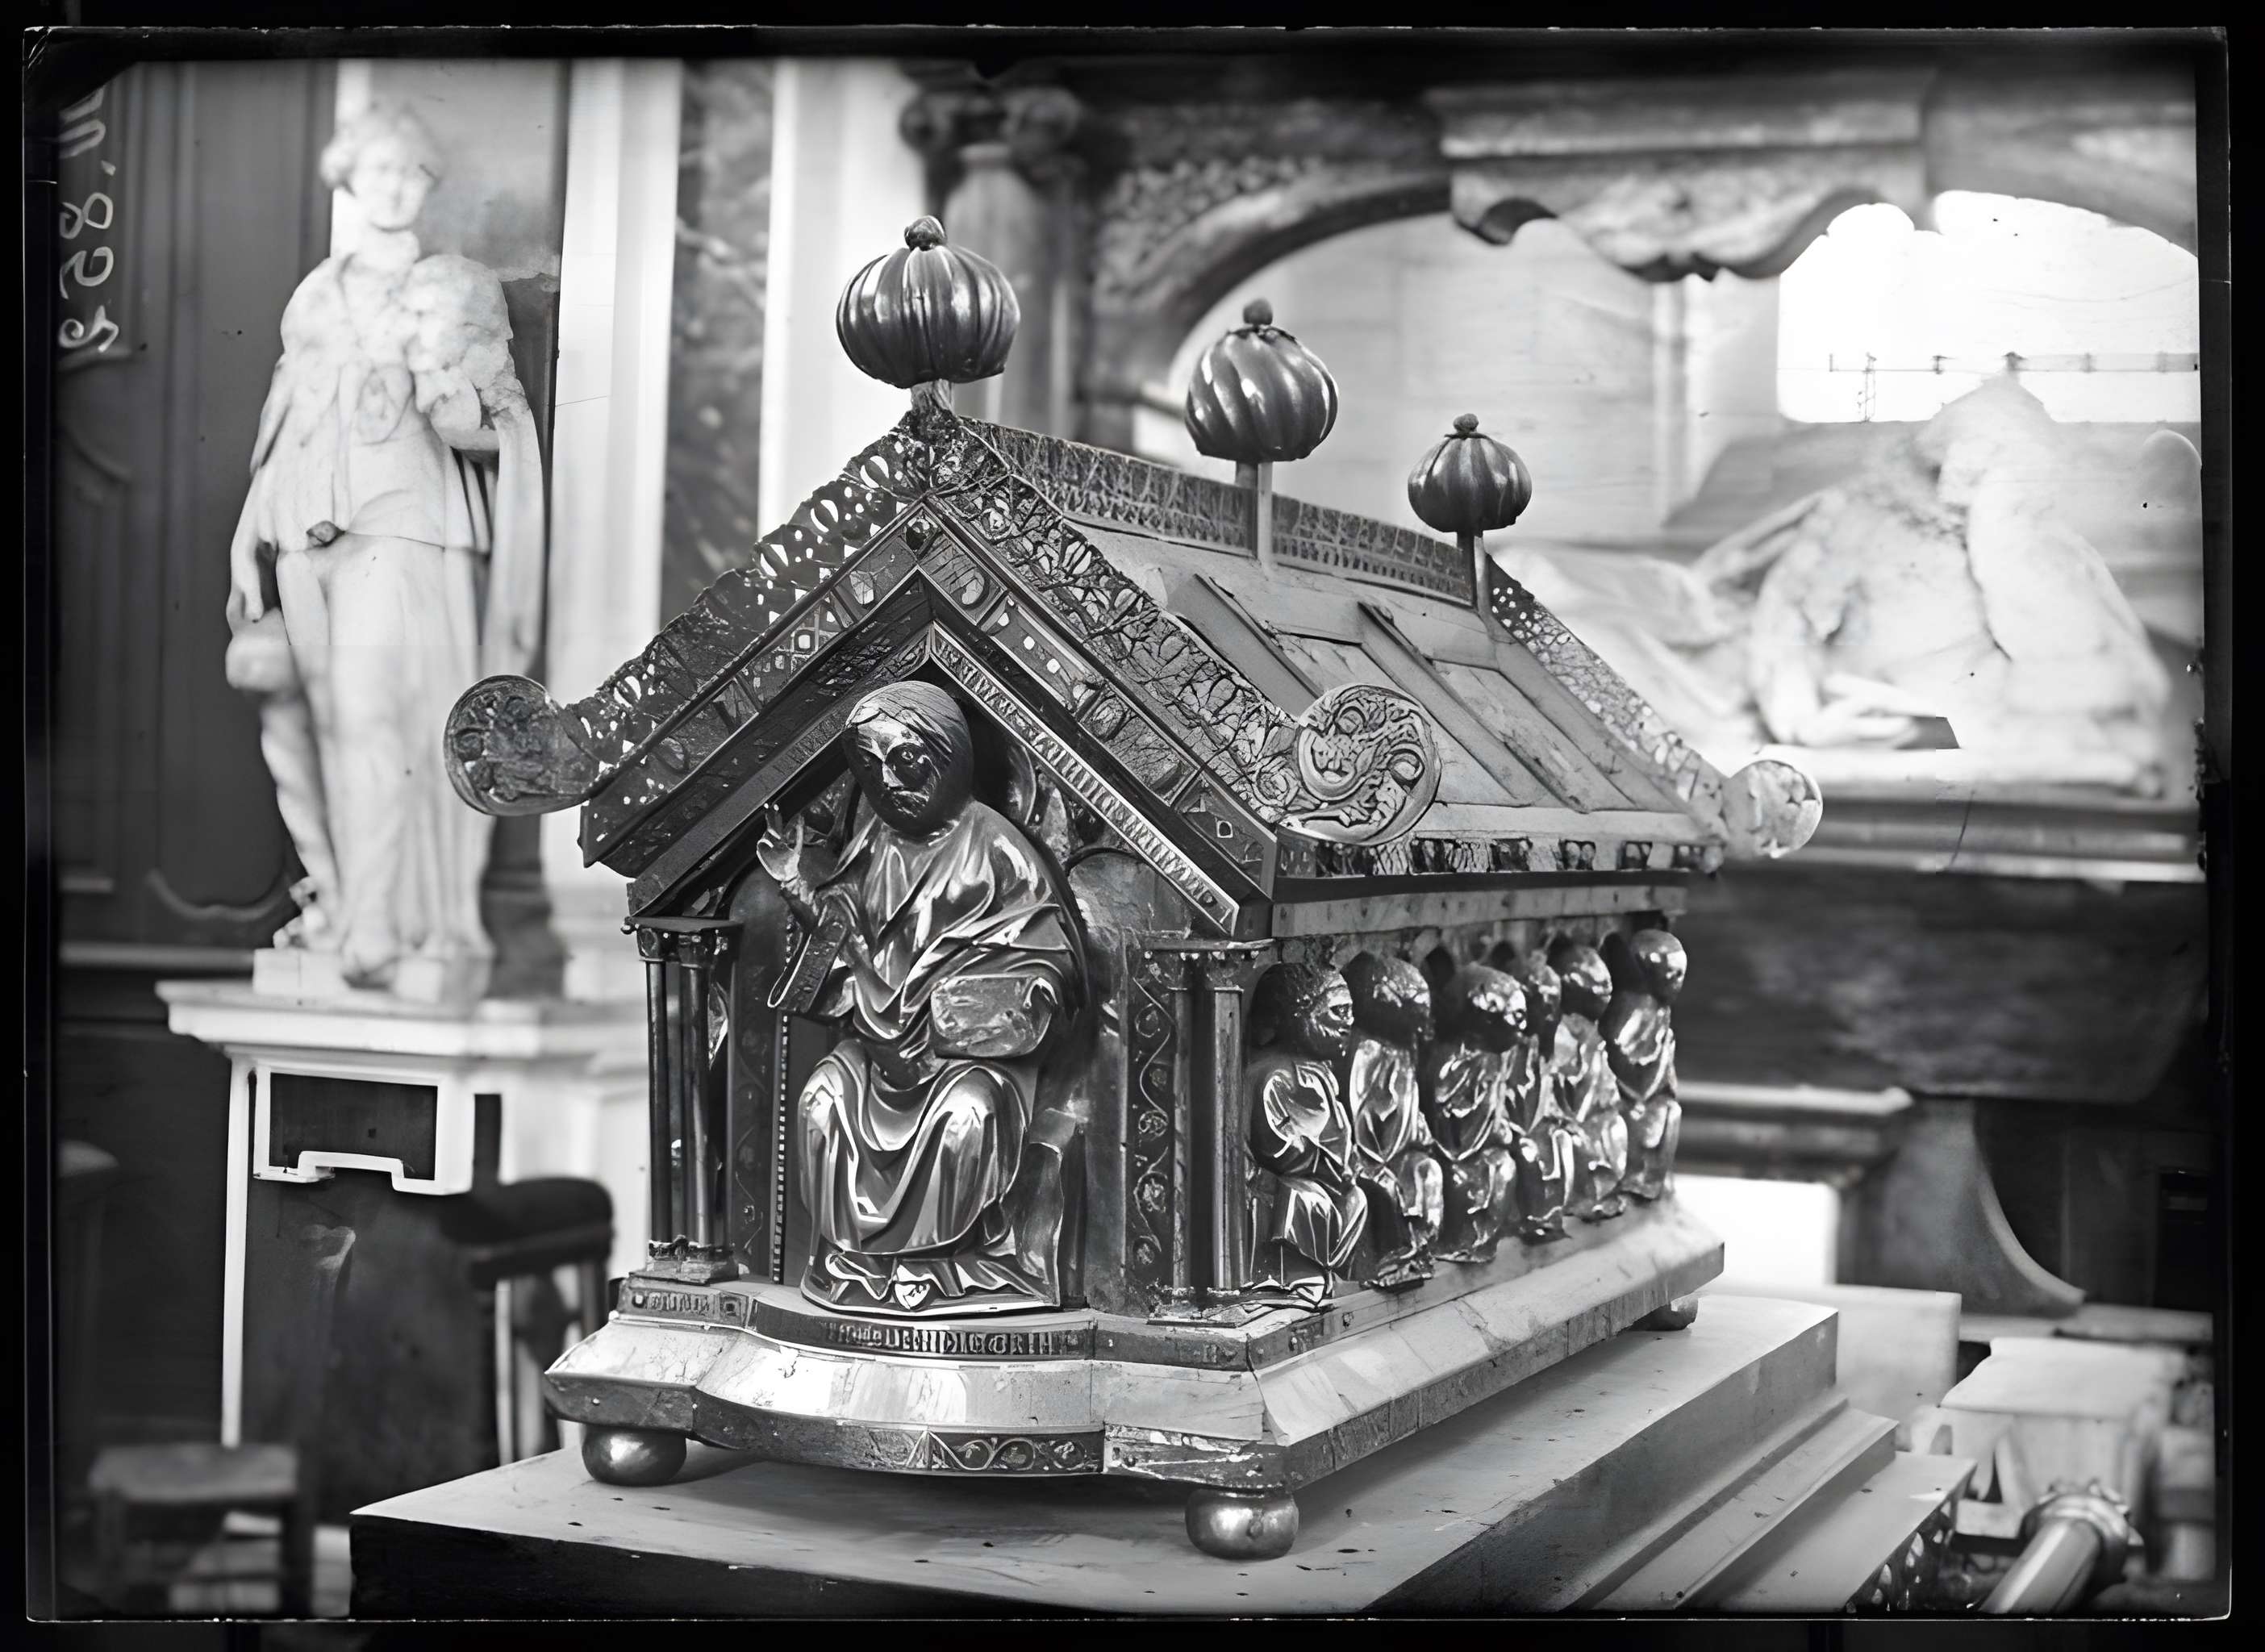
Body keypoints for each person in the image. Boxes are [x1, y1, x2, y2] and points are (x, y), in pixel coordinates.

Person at [227, 103, 543, 993]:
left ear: (428, 185)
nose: (396, 187)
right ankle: (343, 904)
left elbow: (493, 423)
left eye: (411, 172)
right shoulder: (316, 295)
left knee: (377, 716)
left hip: (403, 519)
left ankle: (379, 923)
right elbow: (285, 423)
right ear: (349, 180)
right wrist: (248, 540)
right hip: (302, 530)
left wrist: (461, 410)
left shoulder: (452, 289)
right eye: (379, 170)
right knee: (329, 720)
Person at [760, 682, 1087, 1316]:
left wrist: (987, 1003)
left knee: (968, 1116)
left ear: (949, 755)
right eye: (870, 766)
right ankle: (857, 1261)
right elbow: (842, 935)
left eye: (905, 761)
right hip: (879, 1052)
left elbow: (1051, 965)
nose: (887, 782)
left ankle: (945, 1262)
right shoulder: (875, 843)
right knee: (821, 1100)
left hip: (964, 1059)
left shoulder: (997, 847)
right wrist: (795, 884)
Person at [1244, 965, 1370, 1308]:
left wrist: (1347, 1165)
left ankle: (1330, 1272)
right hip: (1280, 1185)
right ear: (1299, 1015)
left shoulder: (1321, 1073)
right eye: (1338, 1011)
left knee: (1357, 1198)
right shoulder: (1274, 1075)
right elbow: (1276, 1146)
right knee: (1307, 1197)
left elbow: (1338, 1130)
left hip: (1329, 1176)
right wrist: (1328, 1167)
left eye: (1351, 1011)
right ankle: (1296, 1278)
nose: (1348, 1022)